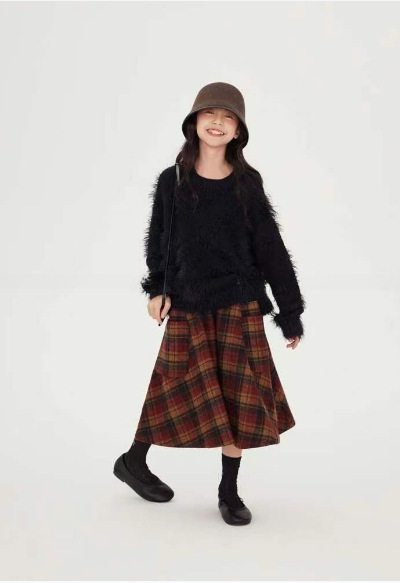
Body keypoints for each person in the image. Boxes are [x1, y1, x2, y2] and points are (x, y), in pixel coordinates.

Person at [113, 82, 306, 527]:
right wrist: (158, 289)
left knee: (239, 398)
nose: (217, 122)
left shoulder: (247, 183)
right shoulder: (173, 180)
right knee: (170, 387)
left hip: (239, 303)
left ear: (238, 131)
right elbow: (160, 239)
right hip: (188, 300)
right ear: (194, 123)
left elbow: (270, 248)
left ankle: (228, 491)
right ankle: (133, 461)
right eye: (209, 114)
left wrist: (290, 311)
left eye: (228, 117)